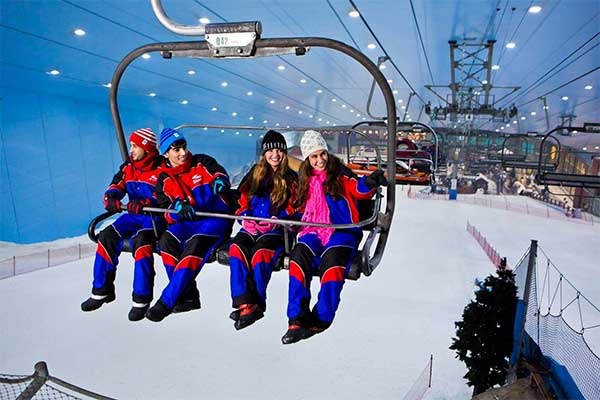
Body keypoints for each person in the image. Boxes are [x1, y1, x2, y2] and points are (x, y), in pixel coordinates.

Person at [281, 130, 387, 344]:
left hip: (342, 231)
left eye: (322, 154)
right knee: (298, 256)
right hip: (313, 229)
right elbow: (299, 206)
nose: (320, 160)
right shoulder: (305, 179)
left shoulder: (340, 174)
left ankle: (322, 317)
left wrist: (369, 182)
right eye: (314, 156)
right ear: (307, 159)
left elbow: (358, 189)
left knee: (332, 262)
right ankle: (297, 318)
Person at [145, 128, 233, 322]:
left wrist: (220, 181)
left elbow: (218, 172)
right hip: (189, 222)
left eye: (184, 147)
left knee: (196, 243)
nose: (183, 153)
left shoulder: (201, 161)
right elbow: (164, 210)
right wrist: (177, 209)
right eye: (176, 149)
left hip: (214, 218)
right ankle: (188, 296)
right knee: (167, 240)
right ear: (166, 153)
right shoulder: (164, 179)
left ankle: (167, 301)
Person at [81, 128, 165, 321]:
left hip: (154, 219)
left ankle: (141, 299)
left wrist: (147, 203)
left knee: (142, 243)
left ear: (146, 147)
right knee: (107, 236)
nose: (131, 150)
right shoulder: (129, 167)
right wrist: (112, 196)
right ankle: (102, 290)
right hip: (133, 217)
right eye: (131, 145)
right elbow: (117, 184)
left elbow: (167, 195)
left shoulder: (162, 168)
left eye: (135, 146)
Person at [228, 130, 298, 330]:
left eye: (279, 150)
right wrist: (245, 216)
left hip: (277, 231)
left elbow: (297, 207)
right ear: (264, 153)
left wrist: (279, 220)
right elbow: (241, 198)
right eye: (270, 151)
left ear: (284, 153)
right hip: (252, 227)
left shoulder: (291, 178)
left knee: (260, 254)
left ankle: (255, 303)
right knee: (236, 249)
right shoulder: (254, 174)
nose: (275, 155)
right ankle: (244, 302)